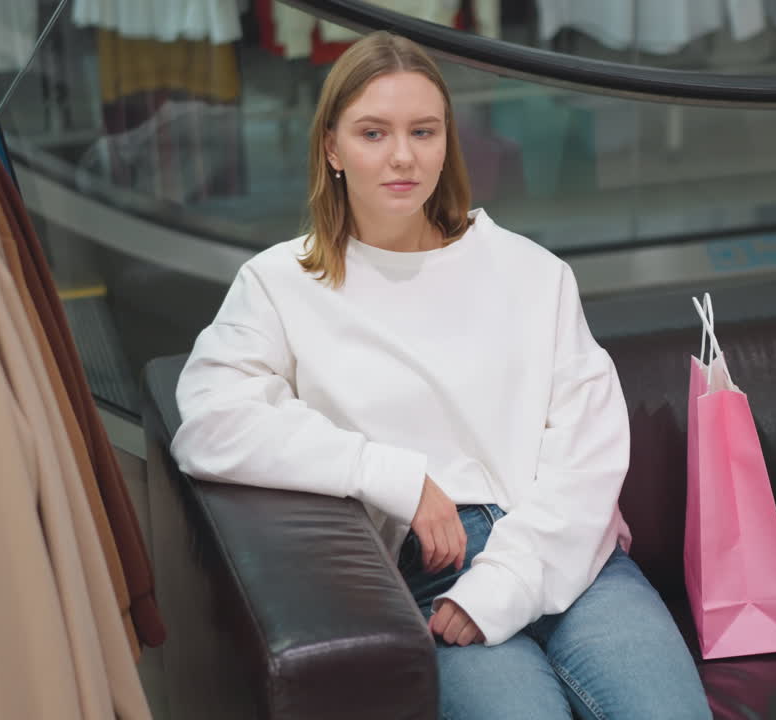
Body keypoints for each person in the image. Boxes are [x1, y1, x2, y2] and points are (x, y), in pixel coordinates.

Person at [171, 30, 711, 720]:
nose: (403, 156)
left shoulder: (531, 272)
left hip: (571, 555)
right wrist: (393, 475)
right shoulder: (281, 283)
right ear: (332, 147)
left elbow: (590, 450)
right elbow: (210, 422)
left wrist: (508, 577)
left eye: (423, 132)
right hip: (430, 573)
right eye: (373, 133)